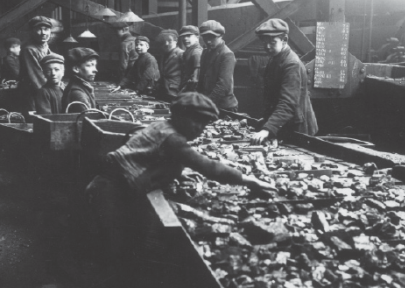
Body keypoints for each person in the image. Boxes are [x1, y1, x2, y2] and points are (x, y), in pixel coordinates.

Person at [85, 92, 275, 287]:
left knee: (125, 245)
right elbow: (207, 167)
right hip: (111, 191)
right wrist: (249, 180)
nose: (200, 129)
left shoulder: (161, 126)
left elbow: (150, 154)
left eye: (205, 124)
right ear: (180, 116)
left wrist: (177, 172)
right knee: (117, 253)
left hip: (113, 186)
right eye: (197, 122)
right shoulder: (173, 139)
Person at [250, 19, 319, 144]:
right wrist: (267, 120)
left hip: (298, 129)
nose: (267, 47)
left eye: (272, 42)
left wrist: (267, 129)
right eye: (264, 43)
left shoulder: (291, 64)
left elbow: (288, 103)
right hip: (285, 124)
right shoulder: (275, 58)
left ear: (284, 40)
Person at [197, 20, 238, 112]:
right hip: (208, 104)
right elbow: (201, 81)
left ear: (221, 36)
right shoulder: (206, 52)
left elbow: (223, 85)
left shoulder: (227, 55)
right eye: (205, 37)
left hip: (223, 107)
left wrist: (205, 104)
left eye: (212, 37)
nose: (208, 41)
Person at [19, 16, 53, 112]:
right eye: (39, 29)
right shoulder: (29, 49)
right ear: (31, 31)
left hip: (44, 91)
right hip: (33, 93)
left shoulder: (46, 47)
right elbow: (37, 77)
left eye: (46, 29)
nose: (43, 33)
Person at [62, 47, 99, 113]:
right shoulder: (77, 93)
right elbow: (88, 118)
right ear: (76, 69)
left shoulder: (82, 87)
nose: (95, 70)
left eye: (95, 65)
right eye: (89, 65)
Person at [156, 29, 183, 102]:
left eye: (169, 41)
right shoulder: (163, 55)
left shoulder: (180, 54)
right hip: (163, 89)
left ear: (176, 41)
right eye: (164, 41)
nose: (166, 44)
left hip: (174, 90)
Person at [178, 25, 202, 93]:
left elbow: (195, 79)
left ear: (197, 37)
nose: (185, 39)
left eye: (188, 36)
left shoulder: (196, 52)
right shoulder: (188, 51)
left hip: (192, 91)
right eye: (183, 36)